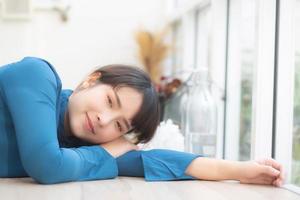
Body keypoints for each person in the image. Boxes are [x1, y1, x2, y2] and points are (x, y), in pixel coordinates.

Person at [0, 57, 285, 187]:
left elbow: (153, 161)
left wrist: (241, 170)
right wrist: (117, 145)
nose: (103, 120)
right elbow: (47, 166)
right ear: (91, 80)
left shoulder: (80, 146)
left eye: (120, 126)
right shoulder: (37, 75)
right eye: (110, 101)